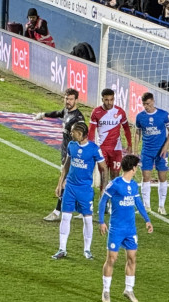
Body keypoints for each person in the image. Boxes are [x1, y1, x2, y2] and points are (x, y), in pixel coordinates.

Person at [98, 155, 153, 302]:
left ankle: (128, 289)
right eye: (137, 166)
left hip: (130, 230)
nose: (138, 169)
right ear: (133, 168)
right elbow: (103, 201)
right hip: (116, 229)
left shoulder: (134, 185)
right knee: (111, 259)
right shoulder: (115, 184)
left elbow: (138, 203)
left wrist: (147, 220)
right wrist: (102, 221)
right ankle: (106, 290)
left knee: (132, 258)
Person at [51, 122, 104, 260]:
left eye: (73, 132)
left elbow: (103, 169)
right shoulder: (71, 145)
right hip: (70, 188)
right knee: (65, 217)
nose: (71, 133)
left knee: (87, 219)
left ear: (80, 134)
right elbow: (67, 164)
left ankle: (87, 250)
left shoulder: (93, 149)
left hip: (85, 190)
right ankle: (62, 249)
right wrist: (60, 183)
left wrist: (103, 188)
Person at [36, 88, 85, 222]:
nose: (68, 101)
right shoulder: (66, 112)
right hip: (65, 151)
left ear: (76, 100)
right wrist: (43, 114)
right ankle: (84, 208)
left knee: (64, 182)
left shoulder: (78, 118)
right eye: (66, 98)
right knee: (76, 181)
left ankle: (57, 211)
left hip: (72, 154)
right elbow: (57, 113)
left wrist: (77, 154)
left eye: (70, 99)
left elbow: (82, 137)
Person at [135, 92, 169, 215]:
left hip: (161, 151)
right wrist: (135, 150)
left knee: (162, 177)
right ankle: (146, 206)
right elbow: (137, 132)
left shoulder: (163, 115)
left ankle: (161, 206)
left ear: (153, 101)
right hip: (146, 151)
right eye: (144, 104)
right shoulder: (140, 117)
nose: (146, 106)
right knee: (146, 177)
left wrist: (166, 146)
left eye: (148, 104)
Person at [88, 88, 133, 196]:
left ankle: (113, 202)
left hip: (116, 149)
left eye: (111, 99)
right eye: (107, 100)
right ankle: (102, 203)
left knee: (115, 175)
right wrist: (90, 146)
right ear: (102, 99)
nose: (109, 102)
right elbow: (91, 131)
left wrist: (129, 144)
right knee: (104, 175)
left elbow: (126, 128)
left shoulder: (120, 112)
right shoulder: (96, 112)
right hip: (102, 149)